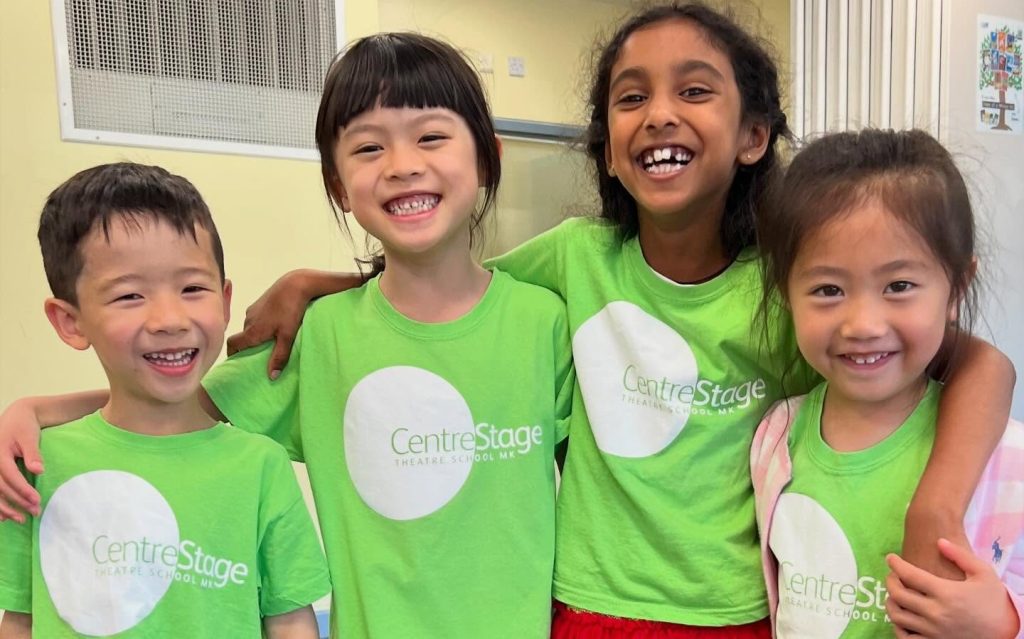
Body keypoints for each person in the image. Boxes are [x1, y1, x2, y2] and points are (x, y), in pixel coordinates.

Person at [211, 3, 1016, 636]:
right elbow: (445, 287)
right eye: (632, 98)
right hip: (588, 606)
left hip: (741, 610)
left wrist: (934, 508)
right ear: (605, 148)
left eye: (694, 91)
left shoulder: (793, 290)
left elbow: (980, 363)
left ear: (753, 135)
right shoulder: (575, 259)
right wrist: (324, 285)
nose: (660, 114)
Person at [0, 34, 574, 639]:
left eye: (431, 137)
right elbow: (171, 404)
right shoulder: (320, 335)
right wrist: (37, 411)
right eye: (369, 147)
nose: (403, 164)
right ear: (337, 184)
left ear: (488, 158)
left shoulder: (546, 322)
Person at [0, 163, 330, 639]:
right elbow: (21, 617)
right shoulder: (36, 465)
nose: (170, 319)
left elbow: (290, 619)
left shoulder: (262, 466)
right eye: (130, 296)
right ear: (70, 322)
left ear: (225, 300)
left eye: (192, 289)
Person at [751, 128, 1023, 638]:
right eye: (828, 289)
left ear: (956, 289)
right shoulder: (775, 438)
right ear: (787, 293)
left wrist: (1002, 622)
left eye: (899, 286)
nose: (863, 324)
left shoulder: (1005, 457)